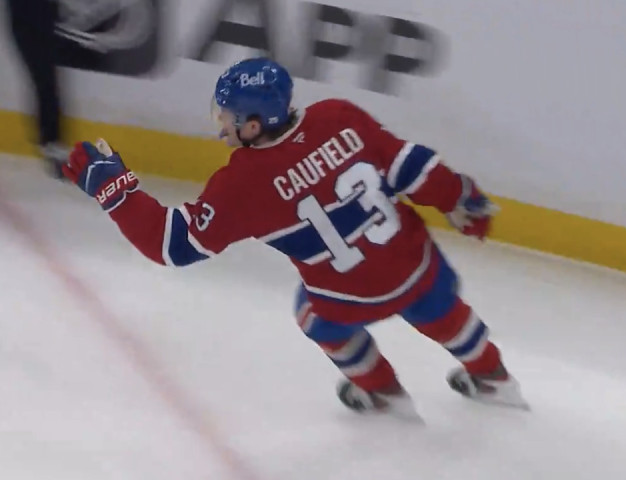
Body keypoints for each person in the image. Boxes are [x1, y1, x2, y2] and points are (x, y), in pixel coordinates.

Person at [61, 57, 527, 413]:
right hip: (414, 262)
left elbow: (171, 245)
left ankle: (381, 391)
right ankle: (493, 376)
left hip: (346, 297)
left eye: (227, 116)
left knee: (311, 313)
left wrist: (115, 191)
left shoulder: (241, 185)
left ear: (254, 124)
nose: (221, 123)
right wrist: (463, 198)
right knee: (437, 303)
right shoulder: (339, 115)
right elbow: (415, 168)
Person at [5, 0, 67, 178]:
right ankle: (51, 142)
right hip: (27, 22)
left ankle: (51, 142)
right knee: (45, 82)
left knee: (47, 83)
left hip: (42, 20)